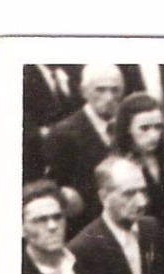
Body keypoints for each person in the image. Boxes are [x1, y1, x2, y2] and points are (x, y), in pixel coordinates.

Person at [43, 64, 125, 236]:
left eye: (115, 90)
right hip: (86, 232)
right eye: (100, 90)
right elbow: (54, 191)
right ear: (84, 91)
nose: (109, 97)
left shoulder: (127, 127)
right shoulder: (63, 134)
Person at [112, 93, 164, 230]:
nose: (153, 135)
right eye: (144, 128)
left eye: (158, 127)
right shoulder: (117, 166)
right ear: (127, 129)